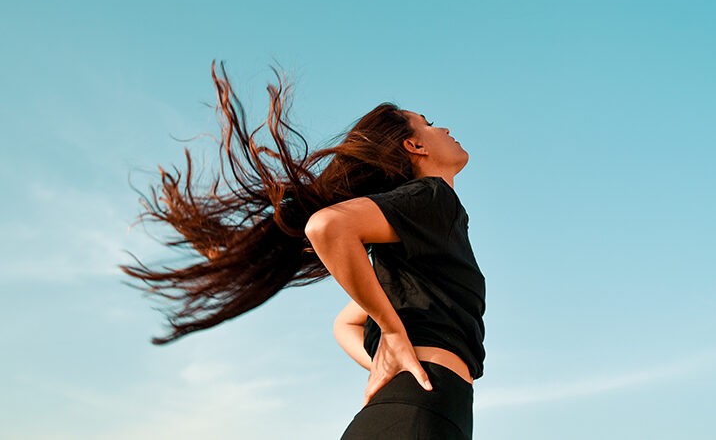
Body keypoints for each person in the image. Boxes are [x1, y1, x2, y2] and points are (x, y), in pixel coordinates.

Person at [121, 62, 485, 439]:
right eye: (427, 123)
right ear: (415, 145)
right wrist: (393, 336)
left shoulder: (424, 237)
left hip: (424, 411)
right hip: (417, 415)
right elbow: (328, 225)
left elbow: (346, 324)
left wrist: (390, 361)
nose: (442, 128)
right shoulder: (434, 197)